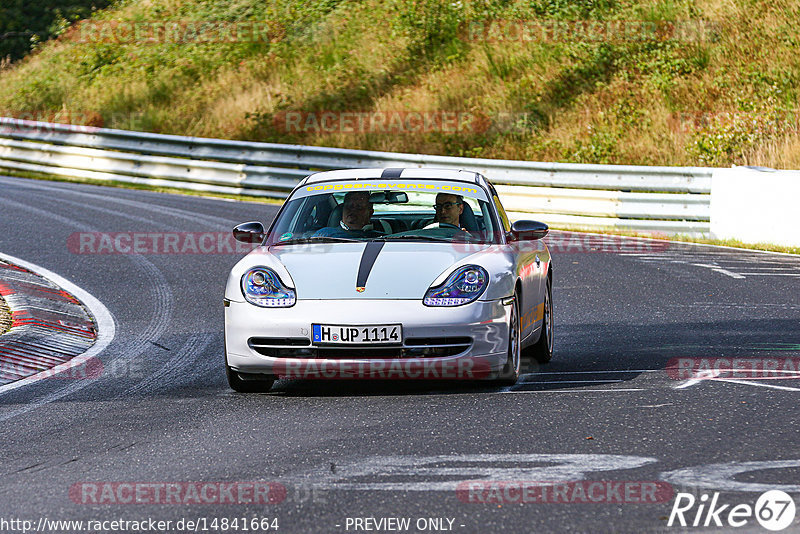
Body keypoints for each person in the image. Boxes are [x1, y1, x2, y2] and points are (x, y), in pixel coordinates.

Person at [314, 191, 382, 238]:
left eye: (359, 207)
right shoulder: (324, 234)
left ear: (370, 213)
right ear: (343, 209)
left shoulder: (382, 238)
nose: (352, 210)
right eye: (349, 206)